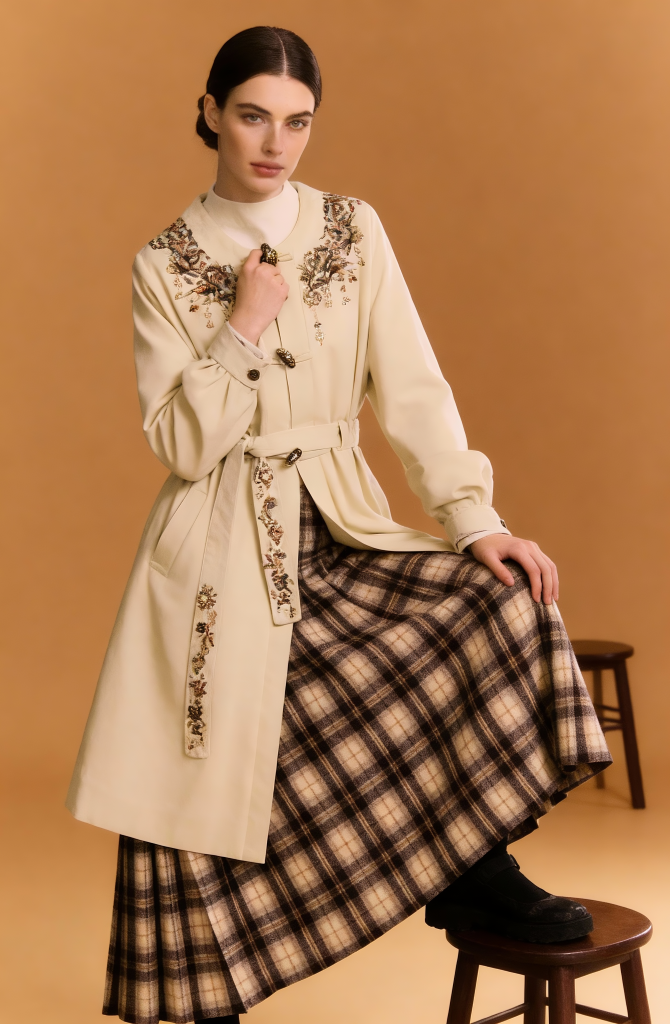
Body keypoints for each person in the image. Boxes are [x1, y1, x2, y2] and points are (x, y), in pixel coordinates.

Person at [67, 26, 611, 1024]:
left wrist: (473, 519)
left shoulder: (352, 229)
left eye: (297, 121)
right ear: (209, 113)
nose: (274, 143)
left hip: (340, 520)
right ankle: (196, 987)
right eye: (251, 117)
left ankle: (470, 866)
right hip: (219, 550)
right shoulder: (163, 263)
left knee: (492, 602)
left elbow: (412, 389)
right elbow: (181, 446)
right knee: (201, 763)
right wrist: (243, 324)